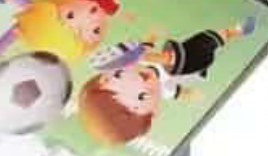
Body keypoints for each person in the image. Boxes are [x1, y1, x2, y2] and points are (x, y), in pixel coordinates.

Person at [77, 19, 256, 144]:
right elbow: (180, 91)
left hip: (182, 52)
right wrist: (193, 95)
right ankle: (235, 31)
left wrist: (152, 37)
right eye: (141, 97)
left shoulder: (139, 62)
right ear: (153, 112)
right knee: (208, 42)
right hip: (190, 64)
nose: (139, 81)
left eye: (119, 76)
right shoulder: (164, 87)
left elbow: (147, 47)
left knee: (207, 39)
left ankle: (234, 31)